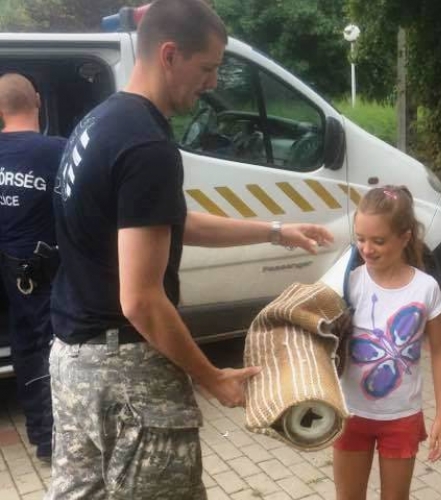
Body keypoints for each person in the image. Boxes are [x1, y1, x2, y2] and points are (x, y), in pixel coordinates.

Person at [46, 1, 333, 498]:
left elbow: (167, 223)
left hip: (75, 362)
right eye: (208, 68)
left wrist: (274, 231)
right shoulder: (145, 146)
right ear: (170, 54)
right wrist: (211, 376)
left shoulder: (100, 122)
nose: (213, 83)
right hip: (129, 375)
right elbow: (141, 301)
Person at [333, 185, 441, 500]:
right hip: (350, 413)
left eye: (378, 241)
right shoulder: (349, 281)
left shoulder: (426, 289)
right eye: (360, 239)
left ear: (405, 236)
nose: (366, 249)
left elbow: (440, 352)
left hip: (401, 417)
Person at [0, 73, 65, 462]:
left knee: (26, 348)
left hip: (11, 268)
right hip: (42, 271)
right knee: (48, 350)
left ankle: (40, 430)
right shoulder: (58, 150)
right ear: (37, 100)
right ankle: (49, 438)